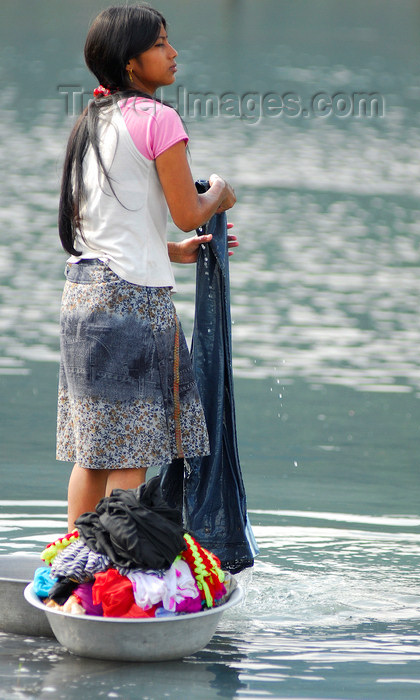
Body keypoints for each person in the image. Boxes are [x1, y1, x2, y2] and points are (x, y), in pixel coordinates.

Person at [56, 4, 237, 531]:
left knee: (93, 455)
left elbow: (106, 223)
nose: (173, 52)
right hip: (133, 304)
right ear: (132, 64)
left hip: (83, 297)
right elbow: (188, 213)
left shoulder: (91, 119)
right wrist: (220, 194)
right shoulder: (160, 119)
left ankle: (79, 568)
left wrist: (169, 253)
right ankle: (120, 576)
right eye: (160, 44)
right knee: (131, 454)